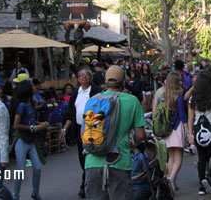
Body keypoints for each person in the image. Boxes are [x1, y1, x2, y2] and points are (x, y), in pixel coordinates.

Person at [84, 65, 146, 200]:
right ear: (124, 82)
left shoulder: (93, 100)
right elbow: (140, 135)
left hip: (92, 161)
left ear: (105, 82)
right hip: (119, 161)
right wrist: (134, 143)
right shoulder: (132, 101)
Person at [60, 66, 101, 198]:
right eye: (82, 75)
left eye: (87, 75)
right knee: (82, 157)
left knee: (91, 156)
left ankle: (86, 184)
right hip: (78, 129)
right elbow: (70, 113)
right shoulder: (76, 92)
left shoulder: (96, 91)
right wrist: (64, 129)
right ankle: (87, 181)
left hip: (92, 129)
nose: (84, 77)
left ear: (90, 77)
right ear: (78, 79)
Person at [11, 79, 48, 200]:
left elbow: (30, 120)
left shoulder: (30, 104)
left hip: (31, 140)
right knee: (20, 170)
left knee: (37, 167)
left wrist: (39, 124)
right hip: (22, 140)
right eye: (32, 86)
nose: (34, 87)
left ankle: (35, 192)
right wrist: (34, 127)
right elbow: (16, 125)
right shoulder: (22, 105)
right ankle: (15, 196)